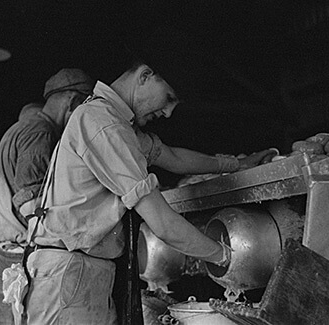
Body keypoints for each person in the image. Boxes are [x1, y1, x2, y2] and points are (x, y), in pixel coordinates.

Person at [22, 46, 276, 324]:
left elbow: (175, 158)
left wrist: (237, 164)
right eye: (169, 98)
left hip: (76, 272)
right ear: (145, 76)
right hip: (70, 278)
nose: (168, 113)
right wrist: (225, 256)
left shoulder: (113, 120)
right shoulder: (104, 126)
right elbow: (163, 224)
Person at [0, 68, 95, 325]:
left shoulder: (20, 128)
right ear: (73, 102)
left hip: (1, 253)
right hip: (17, 257)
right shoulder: (40, 132)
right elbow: (30, 204)